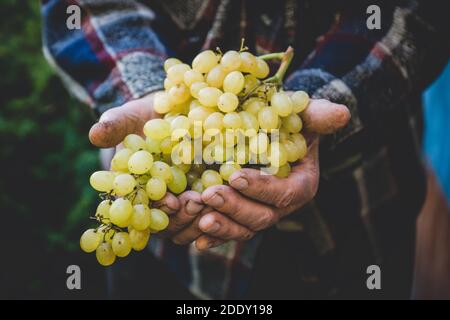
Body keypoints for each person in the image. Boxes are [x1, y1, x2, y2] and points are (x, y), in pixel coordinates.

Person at [41, 0, 449, 299]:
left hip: (364, 206)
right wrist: (147, 89)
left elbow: (423, 14)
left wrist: (317, 99)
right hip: (163, 234)